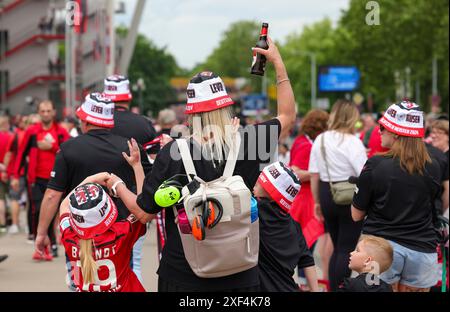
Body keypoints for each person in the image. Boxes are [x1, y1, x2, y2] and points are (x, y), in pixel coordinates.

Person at [136, 37, 296, 291]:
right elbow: (287, 115)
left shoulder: (173, 152)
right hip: (238, 272)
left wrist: (123, 178)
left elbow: (144, 212)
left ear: (189, 113)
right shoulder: (251, 142)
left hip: (182, 273)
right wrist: (277, 62)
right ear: (226, 108)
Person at [34, 93, 151, 267]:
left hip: (78, 233)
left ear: (86, 121)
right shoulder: (129, 148)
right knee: (122, 278)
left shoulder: (68, 148)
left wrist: (41, 233)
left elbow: (52, 194)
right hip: (120, 233)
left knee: (80, 282)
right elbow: (149, 185)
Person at [352, 101, 441, 292]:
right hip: (422, 249)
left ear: (395, 132)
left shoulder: (375, 164)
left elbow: (356, 215)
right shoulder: (434, 166)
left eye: (383, 127)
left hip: (380, 248)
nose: (379, 131)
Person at [309, 99, 367, 291]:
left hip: (326, 193)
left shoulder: (321, 139)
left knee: (336, 245)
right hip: (349, 194)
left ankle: (334, 287)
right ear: (352, 118)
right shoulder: (353, 142)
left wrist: (316, 201)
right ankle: (342, 288)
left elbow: (314, 174)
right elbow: (364, 173)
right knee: (346, 248)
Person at [102, 74, 156, 282]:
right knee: (133, 262)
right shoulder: (143, 124)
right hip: (134, 201)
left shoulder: (99, 124)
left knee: (101, 262)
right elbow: (153, 164)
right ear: (129, 97)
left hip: (101, 201)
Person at [11, 100, 70, 259]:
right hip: (35, 179)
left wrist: (51, 147)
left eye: (48, 111)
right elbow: (21, 154)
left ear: (53, 112)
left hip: (57, 180)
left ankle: (50, 244)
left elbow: (70, 152)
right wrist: (15, 176)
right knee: (38, 211)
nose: (45, 114)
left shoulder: (60, 132)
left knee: (53, 212)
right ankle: (46, 245)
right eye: (42, 111)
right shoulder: (32, 132)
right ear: (38, 113)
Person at [254, 161, 319, 292]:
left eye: (259, 182)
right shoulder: (294, 226)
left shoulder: (256, 213)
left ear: (271, 192)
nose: (254, 184)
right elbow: (307, 260)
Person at [288, 109, 331, 286]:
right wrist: (318, 172)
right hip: (306, 200)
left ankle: (304, 283)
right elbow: (295, 172)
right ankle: (306, 283)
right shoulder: (307, 145)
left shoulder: (301, 141)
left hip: (302, 199)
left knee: (303, 244)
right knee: (306, 245)